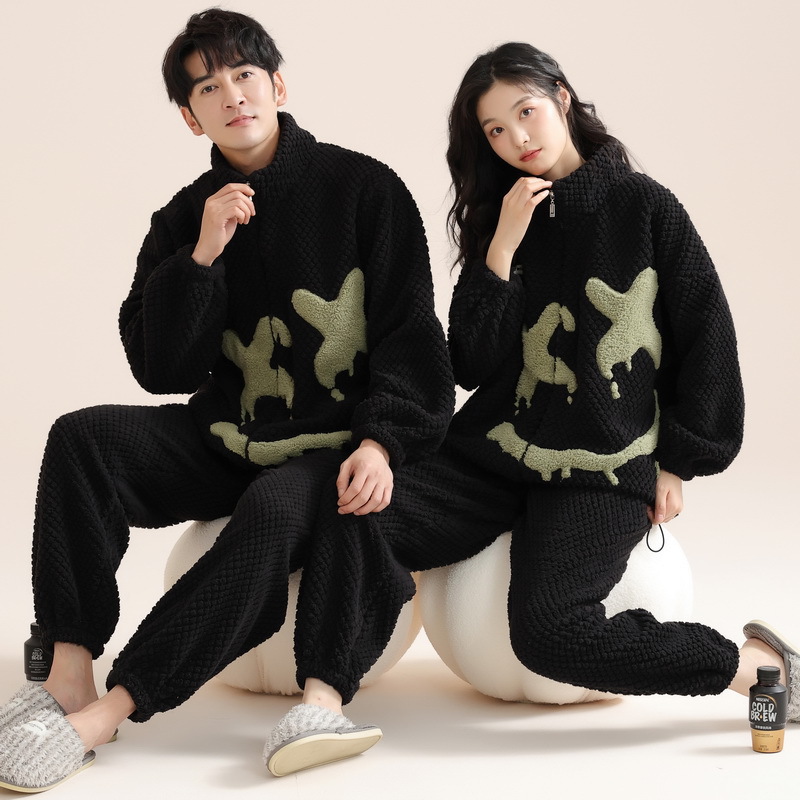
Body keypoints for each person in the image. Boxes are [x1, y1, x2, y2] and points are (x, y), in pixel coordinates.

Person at [0, 8, 458, 790]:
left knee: (272, 514)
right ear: (190, 117)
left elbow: (412, 338)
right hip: (230, 437)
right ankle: (68, 670)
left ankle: (108, 712)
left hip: (331, 448)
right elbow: (160, 369)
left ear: (278, 85)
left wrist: (382, 442)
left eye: (245, 76)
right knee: (81, 438)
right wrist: (202, 257)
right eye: (208, 87)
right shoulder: (184, 218)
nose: (233, 95)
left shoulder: (364, 189)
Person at [441, 41, 798, 718]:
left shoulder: (645, 207)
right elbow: (470, 363)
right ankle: (324, 697)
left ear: (562, 97)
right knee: (355, 518)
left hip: (602, 466)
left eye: (526, 112)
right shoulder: (504, 219)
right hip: (494, 454)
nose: (517, 138)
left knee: (548, 634)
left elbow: (706, 337)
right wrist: (501, 247)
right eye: (495, 130)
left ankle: (755, 668)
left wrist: (678, 461)